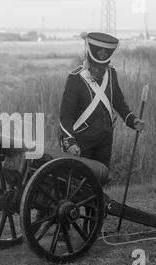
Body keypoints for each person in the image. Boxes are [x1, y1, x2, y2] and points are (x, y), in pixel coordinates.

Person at [59, 32, 145, 169]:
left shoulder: (111, 74)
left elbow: (119, 102)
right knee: (78, 180)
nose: (99, 71)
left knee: (101, 177)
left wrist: (132, 120)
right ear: (89, 61)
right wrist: (70, 142)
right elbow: (65, 116)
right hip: (81, 141)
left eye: (102, 67)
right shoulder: (75, 78)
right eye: (96, 67)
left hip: (105, 139)